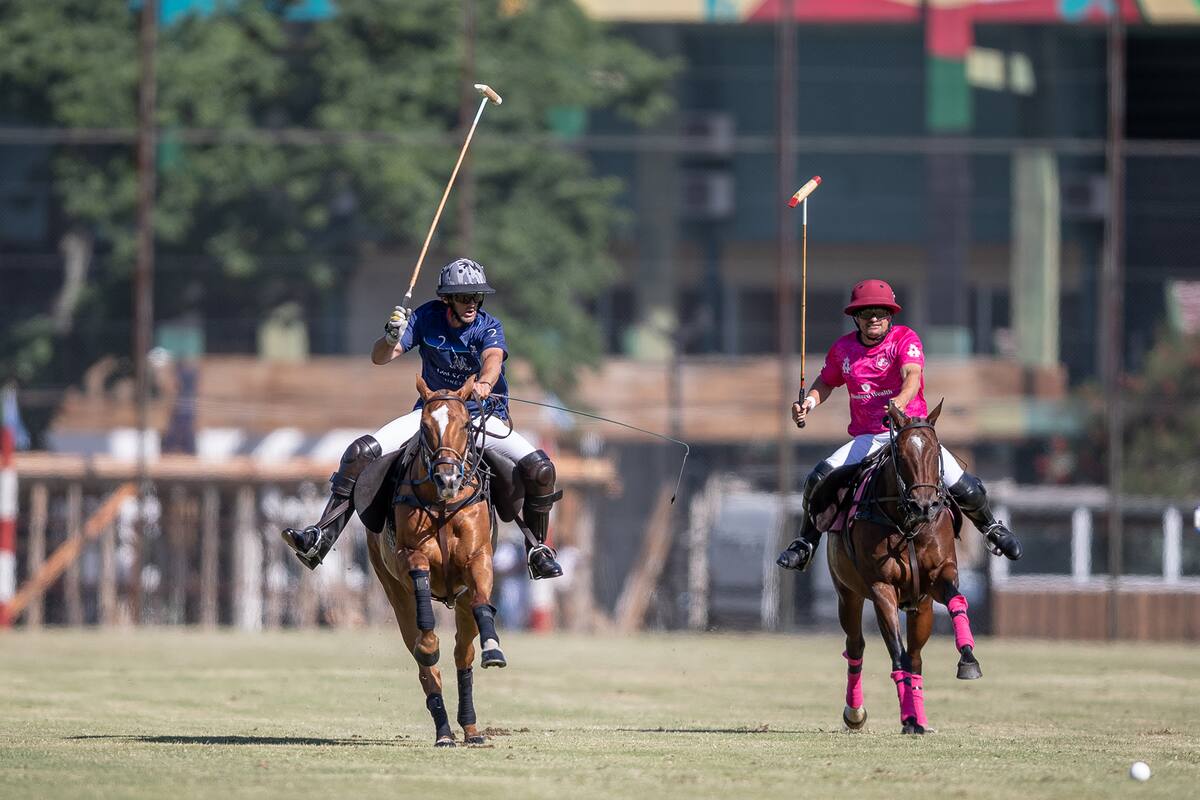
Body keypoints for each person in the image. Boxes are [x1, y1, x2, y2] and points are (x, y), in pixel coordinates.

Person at [281, 258, 564, 580]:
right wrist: (390, 338)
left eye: (477, 296)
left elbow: (493, 359)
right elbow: (380, 358)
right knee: (359, 452)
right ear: (447, 299)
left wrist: (485, 384)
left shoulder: (489, 327)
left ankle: (537, 550)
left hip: (480, 418)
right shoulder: (425, 318)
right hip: (431, 416)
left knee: (541, 469)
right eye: (464, 297)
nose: (472, 303)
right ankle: (321, 537)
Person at [776, 278, 1023, 572]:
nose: (874, 318)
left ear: (890, 315)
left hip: (911, 432)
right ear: (856, 317)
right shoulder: (843, 349)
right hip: (868, 437)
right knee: (817, 478)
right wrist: (809, 402)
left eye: (881, 312)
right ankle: (806, 543)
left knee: (964, 484)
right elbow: (826, 381)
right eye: (866, 313)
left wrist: (899, 404)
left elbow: (912, 376)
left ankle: (991, 528)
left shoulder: (905, 339)